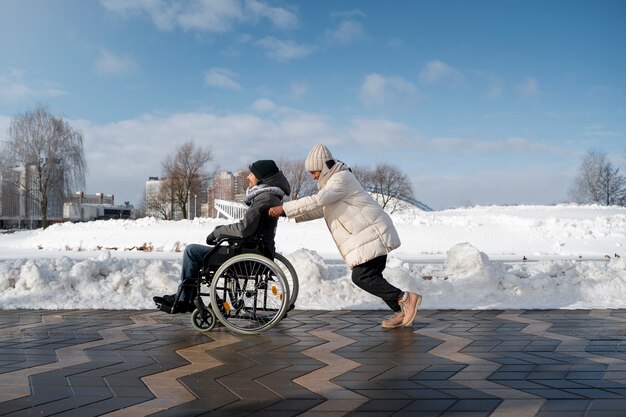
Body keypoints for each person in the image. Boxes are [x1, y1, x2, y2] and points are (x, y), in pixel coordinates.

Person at [268, 144, 421, 328]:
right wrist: (286, 214)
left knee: (362, 277)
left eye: (315, 171)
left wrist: (284, 208)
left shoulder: (341, 179)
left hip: (373, 233)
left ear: (324, 166)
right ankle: (400, 309)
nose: (313, 176)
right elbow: (321, 209)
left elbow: (317, 201)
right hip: (369, 235)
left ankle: (405, 299)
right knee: (372, 276)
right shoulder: (334, 185)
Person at [154, 159, 291, 314]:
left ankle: (184, 300)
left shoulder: (264, 199)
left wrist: (217, 232)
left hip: (246, 255)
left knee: (192, 251)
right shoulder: (270, 197)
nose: (248, 177)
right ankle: (187, 296)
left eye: (252, 174)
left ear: (261, 178)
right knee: (198, 252)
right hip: (254, 250)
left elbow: (243, 229)